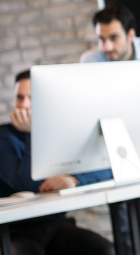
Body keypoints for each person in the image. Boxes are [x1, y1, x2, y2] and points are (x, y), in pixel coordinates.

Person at [0, 70, 115, 255]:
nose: (24, 105)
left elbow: (104, 168)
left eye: (31, 98)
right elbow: (27, 184)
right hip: (17, 232)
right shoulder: (4, 137)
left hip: (56, 225)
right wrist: (33, 133)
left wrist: (74, 180)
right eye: (19, 98)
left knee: (105, 250)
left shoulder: (59, 134)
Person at [80, 5, 140, 171]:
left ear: (131, 34)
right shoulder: (90, 60)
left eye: (114, 38)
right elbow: (90, 112)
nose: (106, 47)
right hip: (108, 152)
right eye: (101, 39)